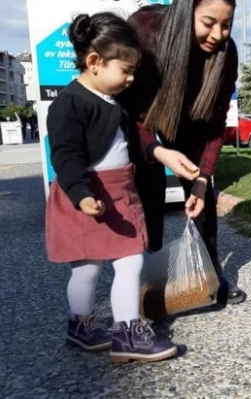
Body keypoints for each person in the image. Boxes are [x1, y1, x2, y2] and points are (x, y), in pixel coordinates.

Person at [45, 12, 177, 363]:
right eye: (126, 70)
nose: (131, 78)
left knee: (130, 261)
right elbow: (66, 155)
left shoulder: (112, 103)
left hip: (119, 193)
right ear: (94, 62)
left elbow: (129, 141)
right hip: (88, 194)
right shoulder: (69, 105)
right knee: (86, 269)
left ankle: (123, 330)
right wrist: (81, 194)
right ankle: (84, 326)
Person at [117, 0, 246, 306]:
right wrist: (158, 151)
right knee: (149, 189)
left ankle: (210, 274)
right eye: (208, 22)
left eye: (225, 25)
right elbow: (130, 110)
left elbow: (215, 124)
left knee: (201, 193)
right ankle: (150, 281)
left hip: (191, 120)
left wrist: (203, 178)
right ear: (186, 12)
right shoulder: (145, 33)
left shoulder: (226, 55)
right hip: (144, 116)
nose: (217, 34)